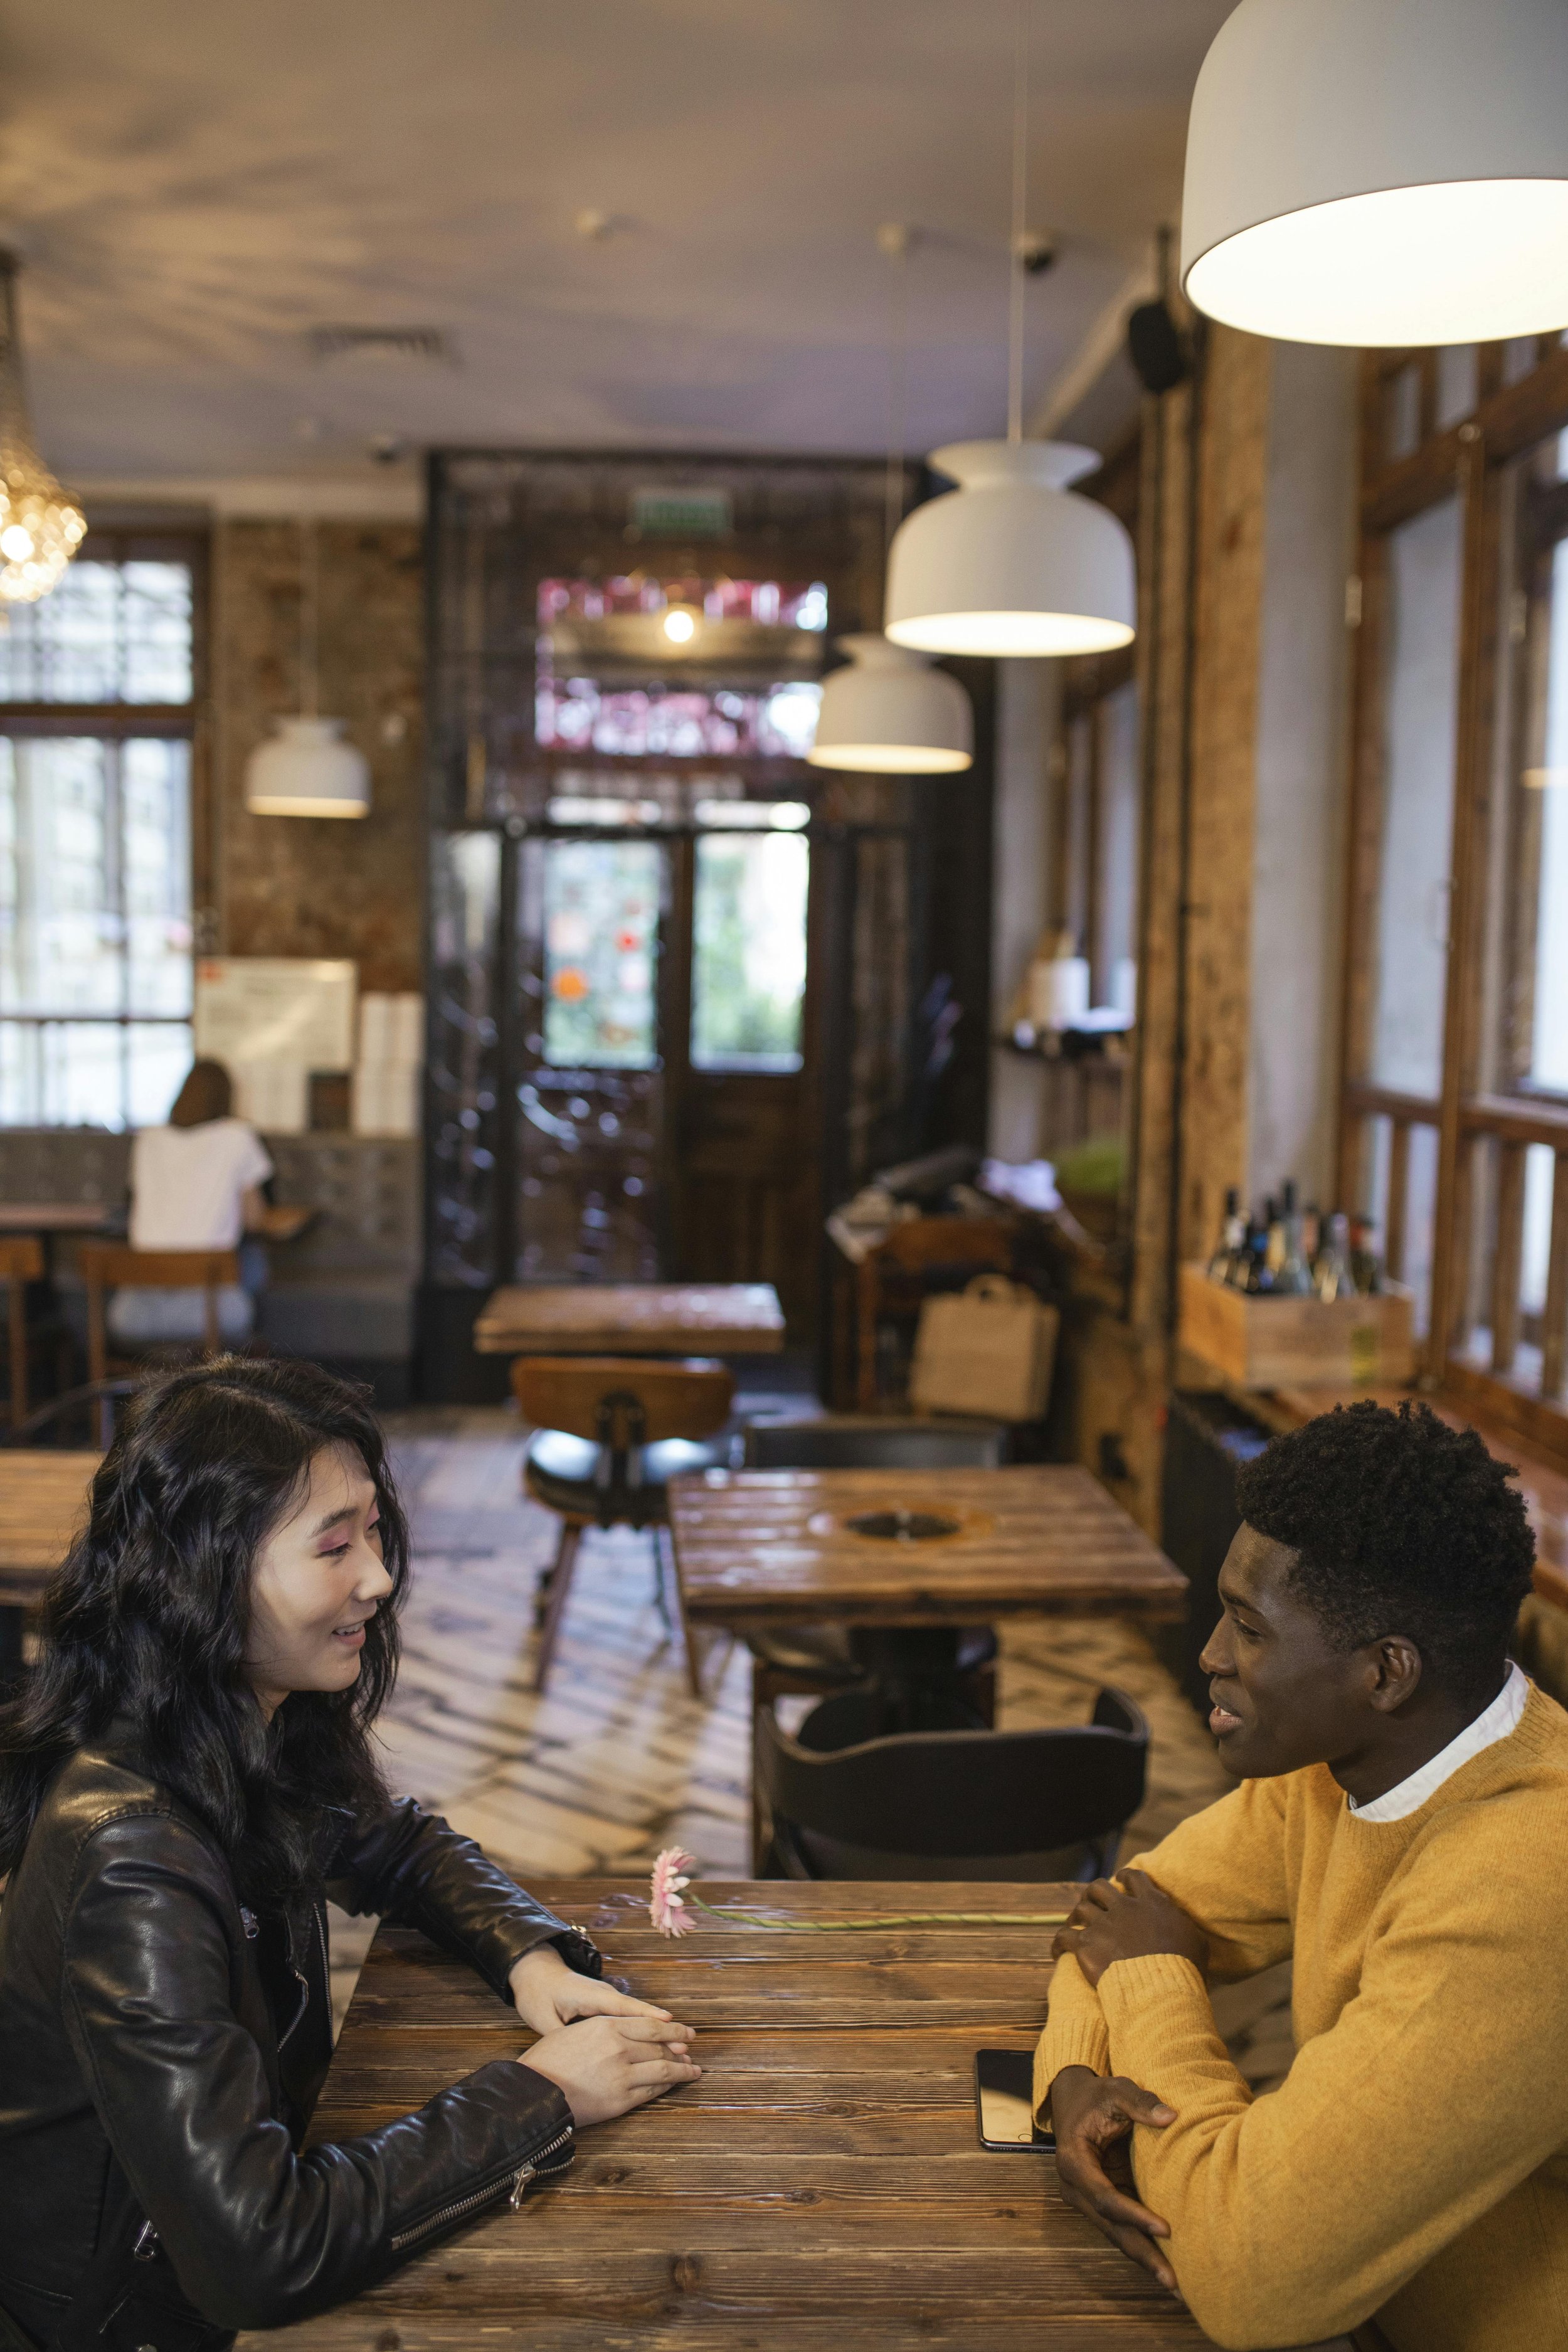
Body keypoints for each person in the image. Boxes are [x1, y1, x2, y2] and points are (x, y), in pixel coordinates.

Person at [0, 1356, 699, 2351]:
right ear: (204, 1576)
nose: (377, 1574)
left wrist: (527, 1952)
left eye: (372, 1528)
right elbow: (257, 2251)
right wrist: (547, 2092)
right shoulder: (132, 1857)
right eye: (334, 1545)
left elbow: (395, 1842)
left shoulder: (229, 1713)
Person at [1036, 1399, 1568, 2352]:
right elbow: (1118, 1917)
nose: (1209, 1655)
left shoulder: (1530, 1884)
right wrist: (1074, 2072)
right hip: (1368, 2312)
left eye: (1248, 1627)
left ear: (1386, 1671)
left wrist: (1149, 1983)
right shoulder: (1349, 1764)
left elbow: (1252, 2277)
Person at [112, 1057, 273, 1347]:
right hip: (212, 1311)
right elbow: (255, 1219)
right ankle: (241, 1382)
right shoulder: (237, 1137)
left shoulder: (148, 1139)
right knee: (254, 1262)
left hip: (136, 1310)